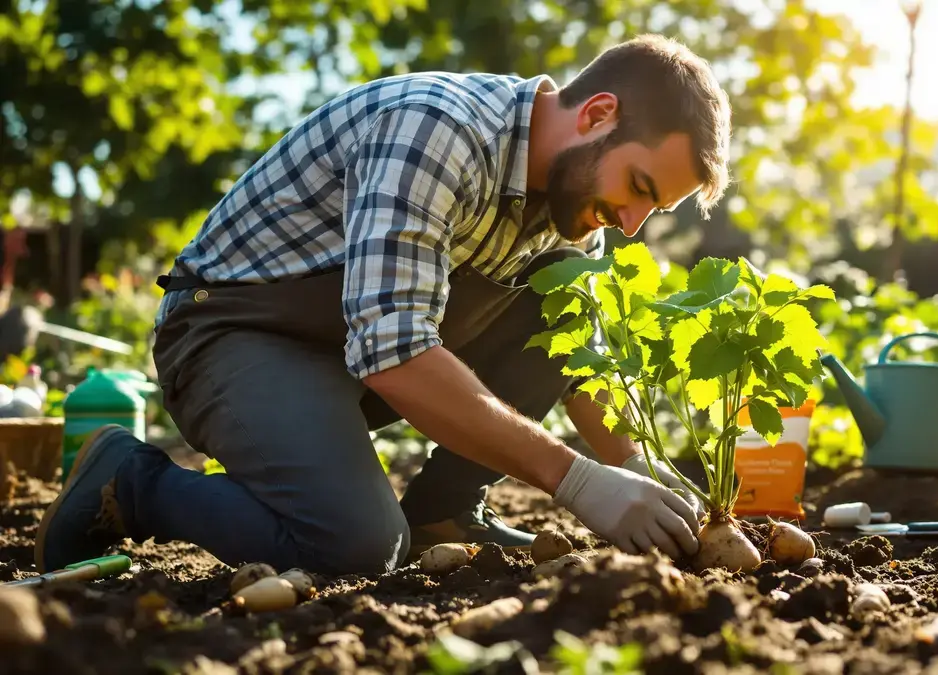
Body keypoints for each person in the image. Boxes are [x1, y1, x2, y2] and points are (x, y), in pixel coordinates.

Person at [35, 34, 732, 576]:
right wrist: (575, 480)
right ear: (598, 114)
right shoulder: (438, 130)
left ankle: (444, 514)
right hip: (233, 331)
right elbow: (393, 352)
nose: (634, 222)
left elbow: (578, 360)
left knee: (557, 309)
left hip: (348, 353)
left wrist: (640, 473)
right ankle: (133, 483)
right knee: (356, 544)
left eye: (654, 206)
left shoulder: (575, 211)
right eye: (640, 186)